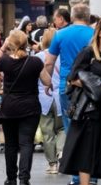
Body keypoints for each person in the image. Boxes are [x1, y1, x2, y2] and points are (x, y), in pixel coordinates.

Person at [60, 16, 101, 185]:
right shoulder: (88, 52)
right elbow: (72, 78)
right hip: (90, 111)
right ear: (100, 33)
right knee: (86, 154)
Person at [0, 30, 52, 185]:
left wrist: (3, 48)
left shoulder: (4, 61)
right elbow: (47, 82)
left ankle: (11, 179)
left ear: (10, 43)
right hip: (30, 108)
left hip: (9, 108)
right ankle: (24, 179)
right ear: (26, 43)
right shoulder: (35, 62)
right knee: (26, 143)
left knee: (11, 144)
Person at [43, 3, 95, 185]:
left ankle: (76, 178)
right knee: (91, 130)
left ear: (72, 17)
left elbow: (49, 63)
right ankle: (92, 176)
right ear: (88, 18)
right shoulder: (95, 35)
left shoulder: (60, 34)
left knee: (72, 129)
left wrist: (48, 82)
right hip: (91, 88)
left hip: (68, 88)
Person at [35, 28, 64, 175]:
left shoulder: (38, 56)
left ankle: (52, 164)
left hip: (43, 98)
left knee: (48, 132)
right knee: (62, 128)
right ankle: (61, 151)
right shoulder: (63, 55)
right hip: (60, 97)